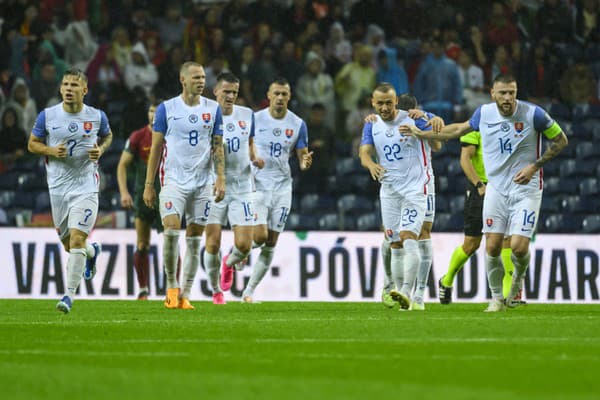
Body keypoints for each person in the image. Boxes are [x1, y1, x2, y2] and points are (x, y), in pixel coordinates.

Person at [402, 73, 568, 312]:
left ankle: (518, 281)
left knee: (519, 247)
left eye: (512, 92)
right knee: (491, 246)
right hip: (495, 190)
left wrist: (534, 167)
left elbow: (561, 140)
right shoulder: (484, 113)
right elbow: (457, 129)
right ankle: (497, 298)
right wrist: (422, 134)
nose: (508, 97)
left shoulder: (534, 114)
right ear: (493, 93)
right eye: (503, 93)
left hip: (526, 189)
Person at [28, 68, 113, 313]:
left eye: (74, 85)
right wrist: (51, 151)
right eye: (65, 84)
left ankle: (68, 296)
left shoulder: (97, 116)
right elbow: (32, 144)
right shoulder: (48, 116)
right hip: (58, 188)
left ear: (84, 90)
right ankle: (91, 252)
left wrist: (102, 149)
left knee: (76, 239)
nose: (68, 89)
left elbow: (108, 136)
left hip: (86, 186)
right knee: (70, 245)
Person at [143, 61, 225, 310]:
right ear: (183, 80)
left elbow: (218, 145)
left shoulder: (213, 109)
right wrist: (149, 184)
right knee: (170, 231)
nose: (202, 81)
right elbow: (156, 148)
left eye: (203, 77)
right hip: (173, 180)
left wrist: (221, 178)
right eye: (196, 77)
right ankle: (171, 287)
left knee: (194, 238)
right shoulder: (166, 109)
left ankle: (185, 294)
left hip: (203, 183)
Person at [238, 78, 313, 303]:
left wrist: (304, 163)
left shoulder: (298, 124)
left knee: (271, 243)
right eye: (277, 93)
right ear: (269, 95)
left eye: (284, 94)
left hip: (282, 186)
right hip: (257, 183)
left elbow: (301, 156)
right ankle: (239, 253)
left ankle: (248, 292)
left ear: (289, 97)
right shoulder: (255, 118)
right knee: (259, 237)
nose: (280, 98)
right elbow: (243, 146)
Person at [359, 83, 430, 310]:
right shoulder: (371, 125)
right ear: (373, 102)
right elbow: (364, 153)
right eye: (380, 103)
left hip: (415, 190)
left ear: (396, 101)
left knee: (410, 237)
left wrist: (433, 120)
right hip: (389, 191)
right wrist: (370, 164)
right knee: (395, 243)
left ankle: (407, 291)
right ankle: (399, 293)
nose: (384, 107)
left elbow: (437, 138)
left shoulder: (413, 118)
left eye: (389, 102)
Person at [374, 94, 443, 311]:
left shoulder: (423, 117)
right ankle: (390, 283)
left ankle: (418, 294)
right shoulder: (379, 123)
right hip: (393, 185)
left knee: (421, 235)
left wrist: (424, 124)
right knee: (392, 236)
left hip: (422, 183)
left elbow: (438, 145)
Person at [203, 72, 264, 304]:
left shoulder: (247, 114)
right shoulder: (206, 116)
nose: (230, 96)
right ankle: (216, 290)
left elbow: (249, 143)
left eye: (234, 93)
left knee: (244, 245)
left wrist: (255, 157)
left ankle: (228, 262)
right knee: (212, 242)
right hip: (214, 185)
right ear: (216, 91)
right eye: (226, 91)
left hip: (242, 186)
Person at [438, 130, 516, 305]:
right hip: (480, 189)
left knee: (505, 239)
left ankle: (506, 296)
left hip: (503, 188)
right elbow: (465, 158)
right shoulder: (476, 127)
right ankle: (446, 280)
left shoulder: (509, 126)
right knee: (472, 244)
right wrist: (479, 185)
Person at [117, 101, 163, 300]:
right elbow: (122, 165)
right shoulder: (137, 136)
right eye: (151, 110)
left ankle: (174, 287)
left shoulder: (171, 135)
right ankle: (143, 289)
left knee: (171, 241)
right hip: (141, 194)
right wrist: (124, 192)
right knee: (142, 244)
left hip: (166, 194)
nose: (154, 114)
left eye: (157, 111)